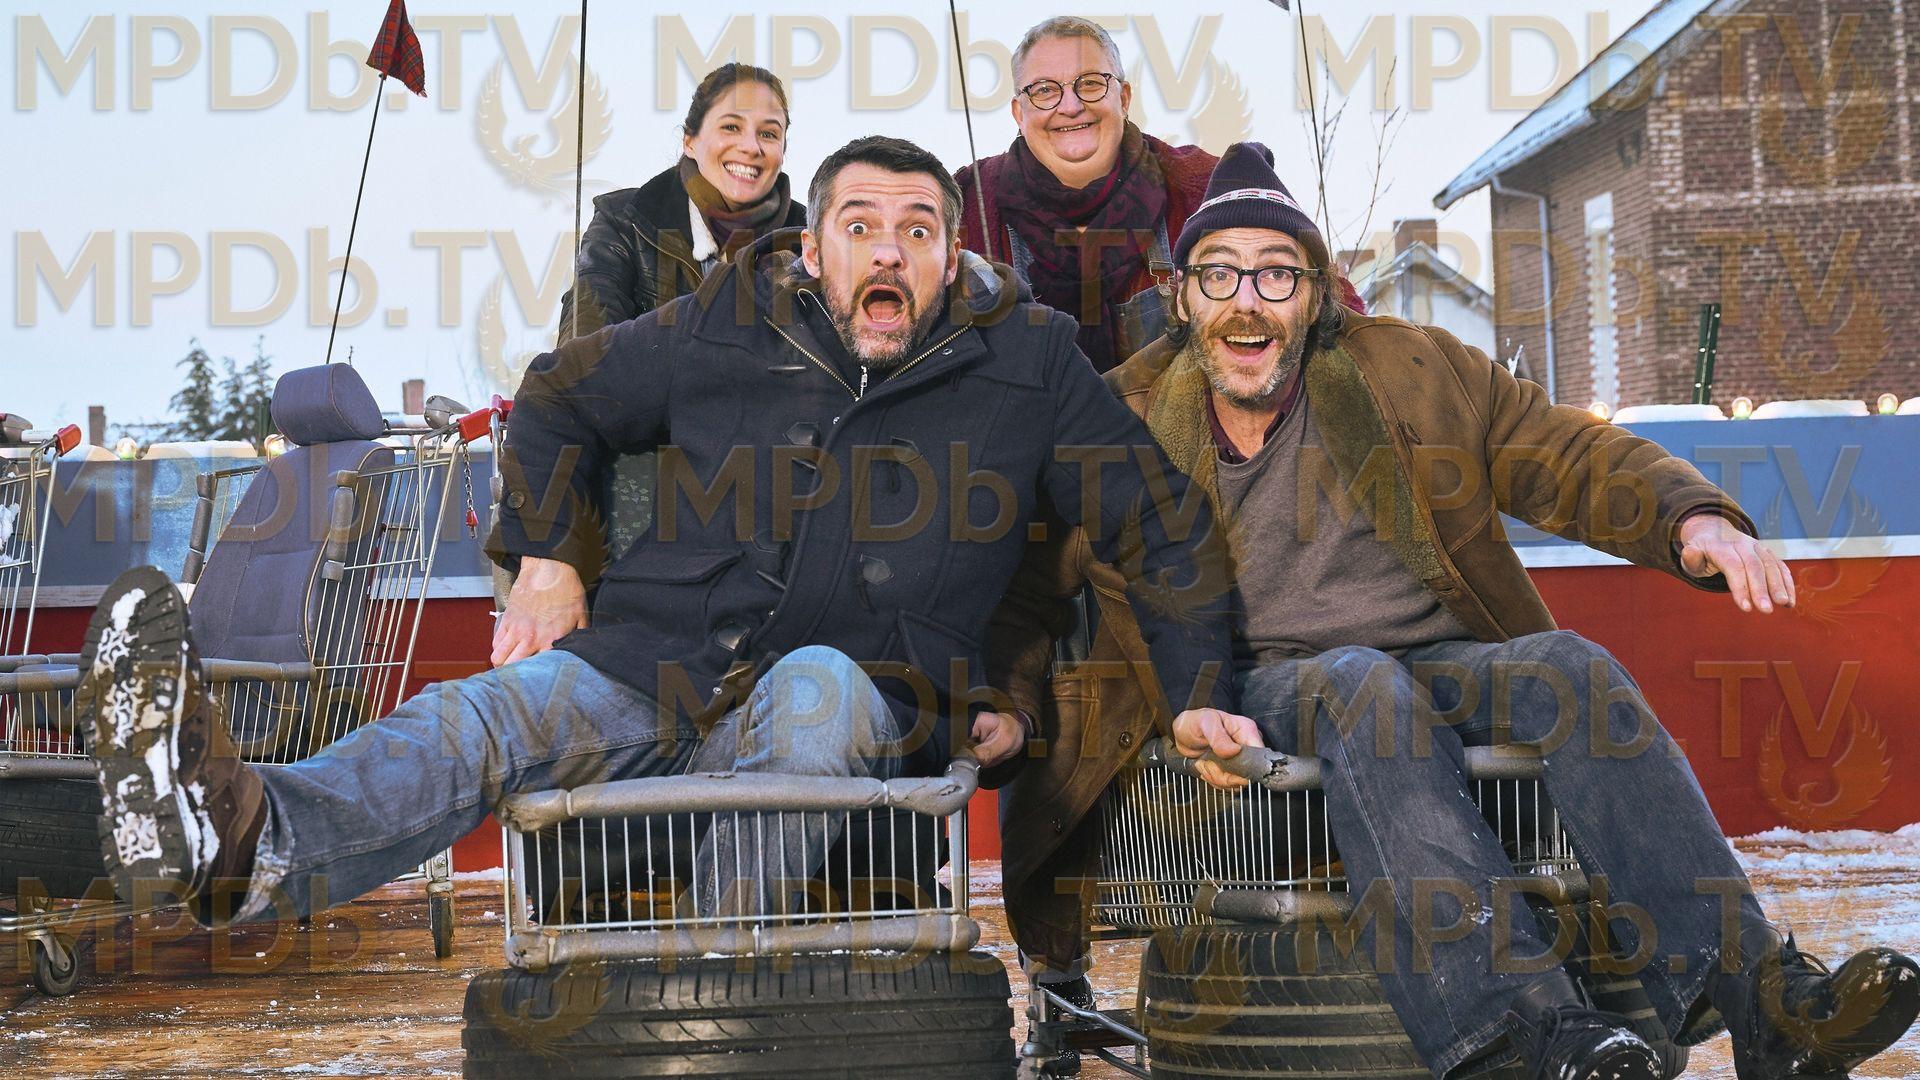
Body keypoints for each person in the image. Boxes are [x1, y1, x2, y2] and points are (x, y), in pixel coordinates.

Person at [77, 136, 1250, 935]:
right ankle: (240, 840)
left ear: (952, 254)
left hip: (873, 687)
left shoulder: (1030, 362)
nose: (889, 251)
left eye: (918, 230)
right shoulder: (730, 319)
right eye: (860, 226)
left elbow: (1162, 524)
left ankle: (709, 993)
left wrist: (1197, 690)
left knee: (812, 692)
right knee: (486, 712)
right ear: (816, 249)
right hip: (654, 665)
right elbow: (557, 395)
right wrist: (549, 555)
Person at [985, 142, 1920, 1080]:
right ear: (1184, 297)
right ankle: (1522, 1031)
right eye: (1219, 272)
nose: (1247, 299)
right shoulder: (1123, 413)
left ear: (1315, 294)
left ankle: (1761, 1000)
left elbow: (1561, 451)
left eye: (1276, 273)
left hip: (1435, 667)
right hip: (1252, 690)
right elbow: (1029, 583)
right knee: (1361, 683)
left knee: (1568, 666)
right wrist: (1005, 703)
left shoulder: (1411, 369)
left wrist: (1690, 517)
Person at [954, 17, 1218, 374]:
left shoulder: (1203, 188)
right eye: (1044, 90)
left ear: (1124, 98)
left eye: (1091, 83)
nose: (1070, 106)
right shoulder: (966, 204)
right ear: (1019, 112)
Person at [553, 62, 808, 345]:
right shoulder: (624, 223)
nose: (750, 147)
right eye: (731, 127)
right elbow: (585, 350)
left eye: (768, 133)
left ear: (782, 150)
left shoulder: (813, 239)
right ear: (690, 142)